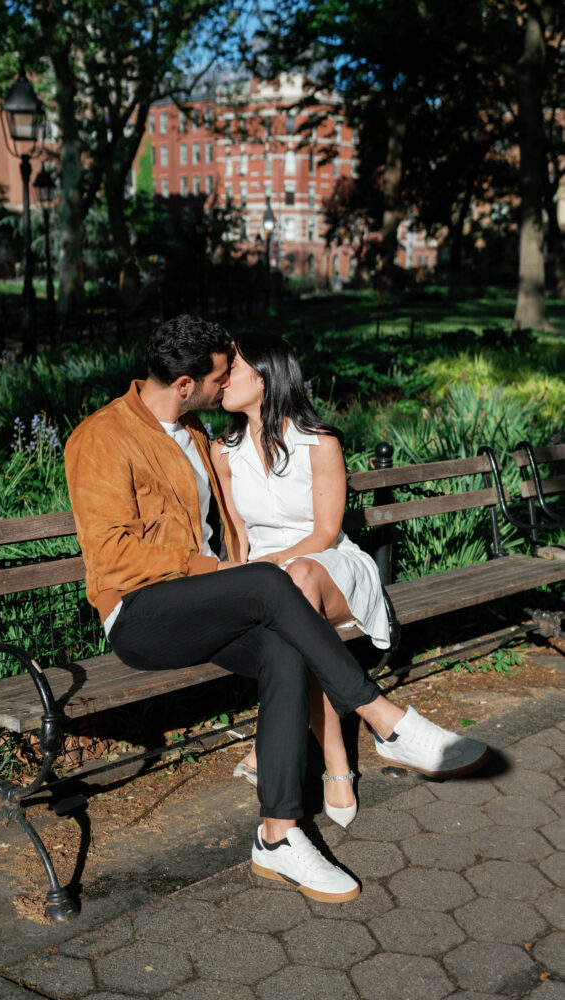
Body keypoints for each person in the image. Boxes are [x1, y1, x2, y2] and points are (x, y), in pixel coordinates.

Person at [64, 314, 489, 905]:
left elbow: (235, 529)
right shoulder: (101, 438)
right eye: (219, 375)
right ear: (185, 384)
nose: (225, 384)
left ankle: (278, 834)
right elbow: (111, 556)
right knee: (265, 583)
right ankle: (384, 718)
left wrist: (231, 571)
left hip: (205, 605)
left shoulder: (193, 435)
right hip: (141, 615)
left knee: (284, 649)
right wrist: (222, 572)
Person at [213, 331, 391, 828]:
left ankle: (332, 758)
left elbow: (326, 532)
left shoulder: (319, 442)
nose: (222, 380)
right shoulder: (224, 453)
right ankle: (318, 752)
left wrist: (269, 569)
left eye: (234, 370)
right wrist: (242, 576)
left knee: (299, 579)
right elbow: (238, 536)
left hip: (330, 565)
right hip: (266, 577)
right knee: (285, 605)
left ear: (267, 377)